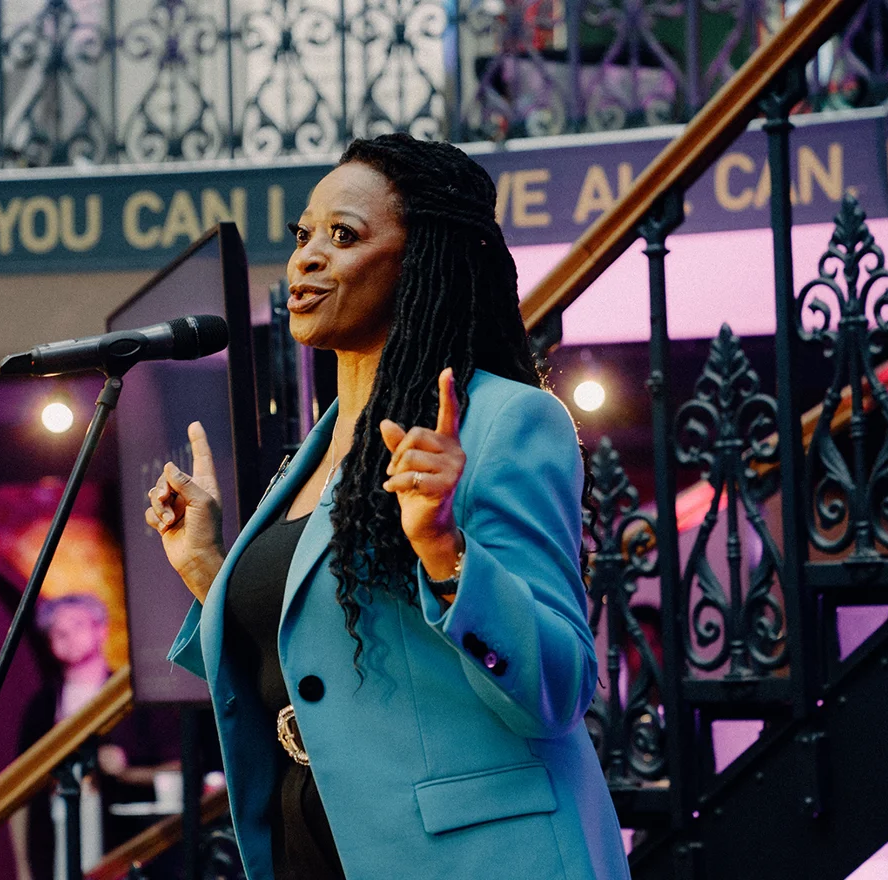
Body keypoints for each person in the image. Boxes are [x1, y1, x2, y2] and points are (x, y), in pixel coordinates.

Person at [147, 133, 631, 880]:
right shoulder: (312, 452)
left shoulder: (505, 422)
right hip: (323, 849)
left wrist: (445, 552)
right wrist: (211, 570)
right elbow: (331, 663)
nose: (307, 257)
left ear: (423, 259)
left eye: (344, 236)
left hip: (479, 858)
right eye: (303, 235)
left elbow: (559, 689)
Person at [12, 594, 181, 880]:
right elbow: (20, 790)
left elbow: (182, 767)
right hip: (54, 839)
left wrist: (127, 772)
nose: (68, 637)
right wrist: (23, 867)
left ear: (101, 630)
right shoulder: (41, 706)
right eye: (58, 631)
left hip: (122, 846)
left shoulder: (135, 698)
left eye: (78, 625)